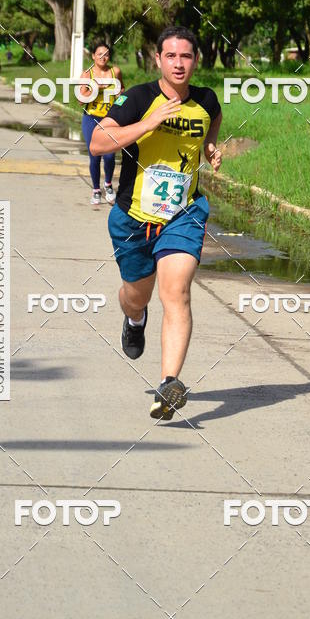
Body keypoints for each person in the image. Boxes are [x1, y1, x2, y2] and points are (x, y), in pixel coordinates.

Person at [90, 26, 222, 420]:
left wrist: (210, 147)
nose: (179, 63)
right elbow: (98, 143)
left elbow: (212, 119)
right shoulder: (139, 98)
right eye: (171, 56)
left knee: (177, 292)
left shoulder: (205, 99)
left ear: (195, 60)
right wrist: (148, 124)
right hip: (133, 217)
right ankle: (134, 319)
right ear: (158, 59)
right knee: (137, 294)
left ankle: (169, 385)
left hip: (184, 213)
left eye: (186, 56)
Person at [78, 40, 124, 206]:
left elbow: (122, 91)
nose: (103, 58)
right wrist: (94, 87)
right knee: (95, 155)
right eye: (99, 54)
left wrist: (121, 101)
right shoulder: (87, 74)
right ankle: (96, 190)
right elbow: (80, 100)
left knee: (110, 155)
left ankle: (109, 184)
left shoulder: (115, 71)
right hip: (91, 118)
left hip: (110, 119)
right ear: (93, 56)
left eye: (106, 54)